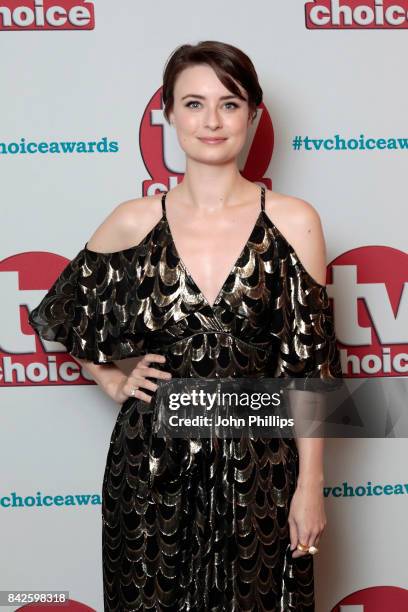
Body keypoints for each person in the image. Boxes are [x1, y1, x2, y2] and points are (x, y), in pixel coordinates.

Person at [28, 40, 342, 611]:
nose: (212, 120)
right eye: (193, 104)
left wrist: (311, 486)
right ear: (169, 114)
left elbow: (312, 370)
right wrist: (111, 379)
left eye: (229, 103)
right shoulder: (133, 220)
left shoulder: (295, 221)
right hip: (151, 470)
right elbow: (64, 312)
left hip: (262, 470)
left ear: (254, 113)